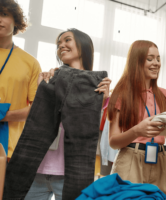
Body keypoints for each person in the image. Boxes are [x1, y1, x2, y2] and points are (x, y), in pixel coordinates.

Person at [18, 28, 110, 200]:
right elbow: (36, 122)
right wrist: (43, 90)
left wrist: (102, 100)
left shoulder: (97, 86)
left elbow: (89, 130)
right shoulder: (50, 78)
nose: (62, 45)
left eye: (67, 40)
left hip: (71, 173)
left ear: (83, 45)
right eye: (59, 43)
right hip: (36, 170)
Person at [107, 40, 166, 196]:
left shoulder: (165, 95)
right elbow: (113, 141)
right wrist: (136, 131)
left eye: (158, 58)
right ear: (137, 61)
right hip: (130, 160)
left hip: (160, 161)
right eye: (150, 58)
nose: (156, 63)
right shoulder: (121, 94)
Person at [0, 0, 41, 161]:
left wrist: (3, 114)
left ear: (16, 20)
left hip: (11, 148)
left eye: (4, 14)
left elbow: (35, 110)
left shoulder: (30, 63)